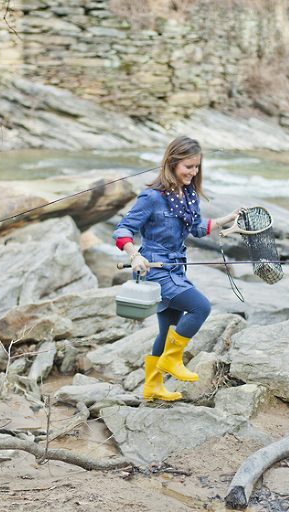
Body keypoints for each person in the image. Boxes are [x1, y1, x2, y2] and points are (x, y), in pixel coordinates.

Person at [113, 136, 244, 402]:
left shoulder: (188, 195)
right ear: (172, 163)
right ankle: (172, 360)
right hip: (154, 270)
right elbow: (122, 230)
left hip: (176, 269)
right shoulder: (151, 197)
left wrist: (227, 219)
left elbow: (196, 228)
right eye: (188, 167)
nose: (193, 172)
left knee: (167, 330)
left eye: (197, 167)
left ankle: (152, 387)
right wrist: (134, 255)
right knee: (200, 307)